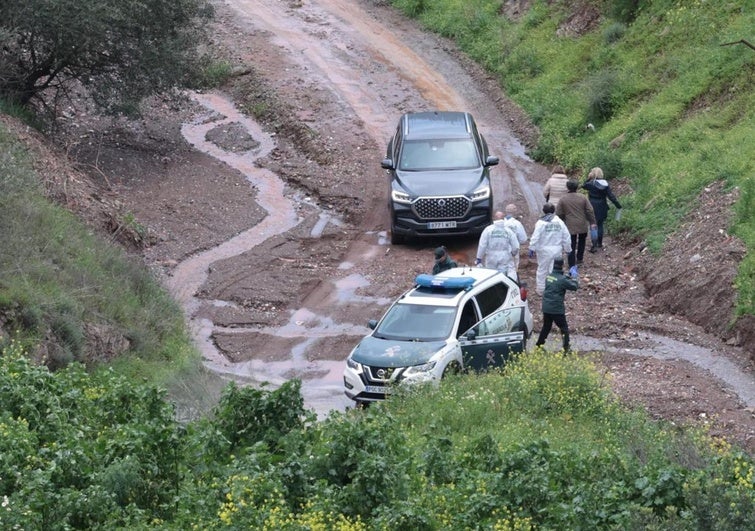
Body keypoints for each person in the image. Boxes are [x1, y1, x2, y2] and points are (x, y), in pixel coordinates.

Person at [535, 258, 578, 353]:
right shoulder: (562, 280)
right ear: (562, 265)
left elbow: (558, 280)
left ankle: (539, 346)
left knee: (546, 327)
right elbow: (574, 287)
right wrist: (574, 277)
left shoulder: (549, 277)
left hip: (546, 307)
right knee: (564, 329)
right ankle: (566, 349)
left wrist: (568, 276)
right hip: (556, 309)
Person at [528, 203, 571, 295]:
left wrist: (532, 248)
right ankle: (554, 289)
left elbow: (536, 236)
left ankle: (541, 289)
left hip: (543, 250)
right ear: (554, 210)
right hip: (556, 249)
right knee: (555, 270)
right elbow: (566, 237)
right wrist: (568, 249)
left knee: (542, 269)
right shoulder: (559, 222)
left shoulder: (541, 223)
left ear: (544, 211)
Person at [556, 180, 597, 268]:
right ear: (577, 187)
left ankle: (571, 262)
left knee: (571, 243)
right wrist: (592, 222)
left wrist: (563, 219)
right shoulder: (583, 197)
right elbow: (589, 210)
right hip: (582, 223)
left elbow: (559, 212)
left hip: (570, 224)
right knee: (582, 241)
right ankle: (579, 259)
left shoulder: (563, 198)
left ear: (567, 187)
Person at [582, 167, 622, 252]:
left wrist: (588, 178)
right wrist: (618, 205)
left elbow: (583, 186)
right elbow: (611, 196)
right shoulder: (605, 184)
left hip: (592, 205)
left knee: (593, 224)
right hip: (602, 205)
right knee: (600, 224)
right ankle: (600, 243)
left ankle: (594, 245)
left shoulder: (591, 183)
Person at [475, 211, 520, 280]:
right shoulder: (508, 230)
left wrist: (479, 258)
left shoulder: (488, 230)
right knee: (505, 275)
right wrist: (513, 253)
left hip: (491, 256)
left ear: (494, 218)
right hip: (504, 255)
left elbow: (482, 245)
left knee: (491, 275)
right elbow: (516, 246)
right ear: (503, 218)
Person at [503, 203, 528, 273]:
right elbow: (523, 239)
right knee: (513, 270)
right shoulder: (517, 224)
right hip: (513, 250)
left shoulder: (501, 223)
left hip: (501, 250)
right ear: (515, 212)